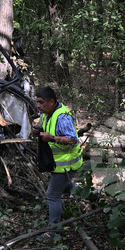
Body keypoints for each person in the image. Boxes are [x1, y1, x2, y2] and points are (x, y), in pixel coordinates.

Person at [35, 86, 83, 226]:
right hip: (56, 163)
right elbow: (46, 128)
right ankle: (93, 193)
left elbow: (72, 139)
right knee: (64, 188)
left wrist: (51, 138)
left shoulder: (63, 117)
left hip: (66, 164)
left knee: (52, 196)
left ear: (52, 102)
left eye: (41, 102)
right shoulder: (46, 114)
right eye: (37, 102)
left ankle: (54, 230)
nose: (38, 105)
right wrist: (37, 131)